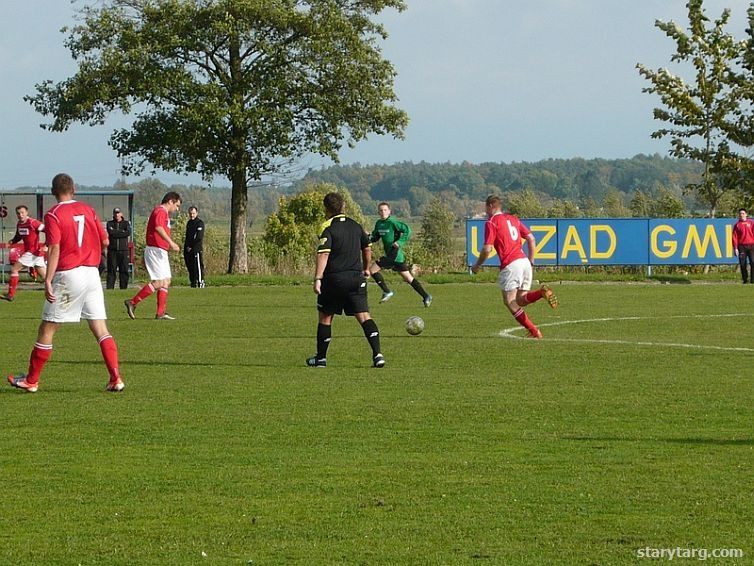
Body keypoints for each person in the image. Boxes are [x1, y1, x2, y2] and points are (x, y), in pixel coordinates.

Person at [7, 173, 123, 393]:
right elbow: (105, 240)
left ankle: (31, 380)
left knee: (47, 327)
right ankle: (115, 377)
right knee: (100, 328)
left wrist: (48, 279)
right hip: (91, 274)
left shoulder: (54, 214)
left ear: (53, 192)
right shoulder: (88, 210)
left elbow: (54, 248)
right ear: (74, 189)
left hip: (69, 274)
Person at [308, 192, 385, 368]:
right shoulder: (356, 226)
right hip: (355, 279)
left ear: (326, 209)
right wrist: (366, 268)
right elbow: (367, 248)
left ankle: (321, 358)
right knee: (364, 316)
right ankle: (378, 355)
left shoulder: (327, 227)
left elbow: (324, 254)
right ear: (344, 207)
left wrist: (318, 278)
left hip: (333, 280)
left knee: (326, 317)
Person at [470, 195, 558, 338]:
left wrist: (477, 265)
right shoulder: (513, 219)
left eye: (486, 208)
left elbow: (487, 249)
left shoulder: (491, 222)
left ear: (490, 206)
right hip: (524, 262)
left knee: (510, 302)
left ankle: (534, 331)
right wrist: (531, 261)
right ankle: (541, 293)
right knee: (521, 300)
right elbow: (531, 238)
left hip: (511, 264)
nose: (486, 211)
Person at [124, 192, 181, 320]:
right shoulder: (160, 211)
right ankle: (132, 302)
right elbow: (158, 228)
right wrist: (171, 243)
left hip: (160, 250)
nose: (176, 209)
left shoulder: (164, 213)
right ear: (170, 201)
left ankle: (160, 313)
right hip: (155, 250)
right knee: (159, 281)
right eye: (176, 205)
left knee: (166, 281)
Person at [369, 202, 432, 307]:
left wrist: (400, 242)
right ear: (378, 212)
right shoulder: (379, 223)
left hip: (394, 254)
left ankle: (387, 291)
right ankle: (426, 296)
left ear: (389, 211)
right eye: (381, 210)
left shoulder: (393, 222)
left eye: (385, 210)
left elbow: (408, 231)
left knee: (372, 270)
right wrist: (367, 238)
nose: (383, 212)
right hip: (394, 256)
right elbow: (375, 237)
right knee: (408, 278)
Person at [1, 205, 46, 301]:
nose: (20, 215)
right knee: (46, 277)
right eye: (18, 213)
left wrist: (46, 245)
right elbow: (18, 236)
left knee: (14, 269)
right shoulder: (19, 224)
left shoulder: (33, 222)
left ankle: (10, 295)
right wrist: (12, 241)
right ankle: (63, 291)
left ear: (27, 213)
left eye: (22, 213)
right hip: (36, 255)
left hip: (32, 252)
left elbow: (49, 231)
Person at [106, 207, 131, 289]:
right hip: (112, 251)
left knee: (124, 270)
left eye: (118, 213)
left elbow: (128, 233)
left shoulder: (126, 223)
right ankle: (110, 288)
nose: (117, 215)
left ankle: (123, 288)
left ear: (121, 214)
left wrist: (117, 232)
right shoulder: (110, 223)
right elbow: (111, 233)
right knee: (111, 270)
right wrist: (121, 232)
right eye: (115, 213)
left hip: (123, 251)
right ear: (113, 214)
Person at [183, 206, 206, 288]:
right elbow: (188, 236)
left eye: (193, 213)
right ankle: (193, 283)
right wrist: (187, 247)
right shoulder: (189, 223)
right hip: (188, 249)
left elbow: (199, 237)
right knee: (190, 267)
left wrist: (191, 246)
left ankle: (201, 282)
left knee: (198, 266)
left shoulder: (200, 223)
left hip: (196, 249)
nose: (191, 215)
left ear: (197, 213)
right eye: (190, 213)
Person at [732, 208, 754, 284]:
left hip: (752, 246)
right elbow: (734, 237)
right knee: (742, 264)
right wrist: (735, 248)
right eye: (740, 214)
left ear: (746, 214)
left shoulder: (751, 223)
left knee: (753, 262)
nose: (741, 215)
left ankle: (753, 280)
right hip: (742, 247)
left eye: (743, 213)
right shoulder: (737, 225)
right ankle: (745, 279)